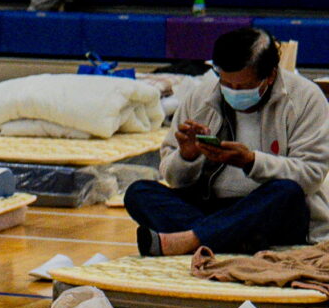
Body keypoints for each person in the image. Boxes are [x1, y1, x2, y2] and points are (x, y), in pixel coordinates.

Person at [125, 27, 329, 256]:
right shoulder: (201, 96)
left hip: (268, 209)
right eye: (227, 84)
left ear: (270, 76)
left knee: (288, 192)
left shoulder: (305, 98)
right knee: (139, 192)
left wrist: (251, 161)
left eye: (243, 87)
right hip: (212, 204)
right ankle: (229, 239)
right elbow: (173, 178)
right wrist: (186, 156)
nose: (233, 92)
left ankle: (192, 238)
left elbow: (311, 174)